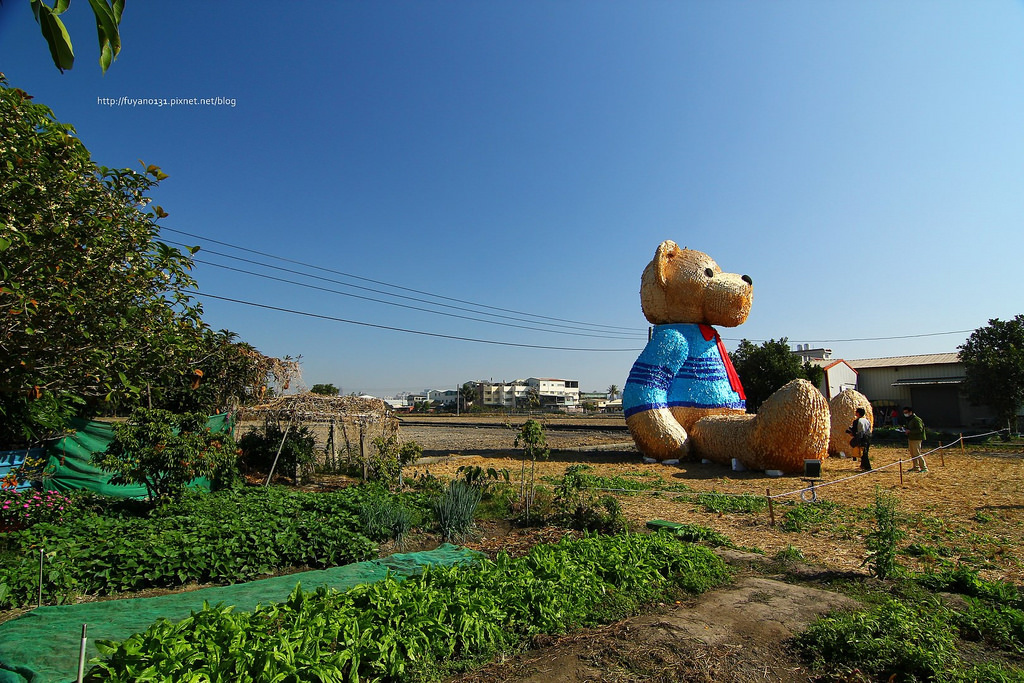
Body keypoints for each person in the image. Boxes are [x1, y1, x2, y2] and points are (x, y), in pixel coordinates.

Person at [903, 406, 928, 472]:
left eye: (906, 412)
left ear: (910, 412)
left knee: (917, 453)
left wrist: (910, 431)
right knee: (913, 453)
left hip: (917, 438)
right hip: (911, 438)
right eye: (904, 412)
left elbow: (920, 429)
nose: (905, 414)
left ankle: (924, 468)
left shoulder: (916, 419)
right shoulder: (910, 419)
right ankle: (916, 467)